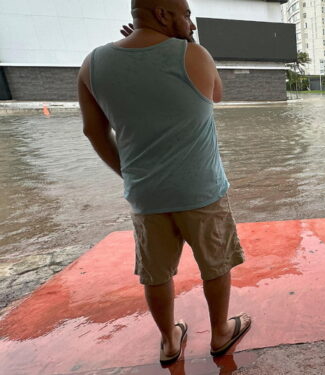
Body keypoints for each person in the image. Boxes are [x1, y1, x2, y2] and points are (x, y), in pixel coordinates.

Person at [77, 0, 251, 364]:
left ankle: (170, 342)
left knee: (155, 274)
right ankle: (220, 332)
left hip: (146, 195)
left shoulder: (92, 64)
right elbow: (216, 93)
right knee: (215, 263)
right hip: (201, 189)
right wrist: (186, 42)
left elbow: (94, 132)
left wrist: (130, 173)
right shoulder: (194, 55)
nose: (191, 22)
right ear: (162, 14)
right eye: (186, 14)